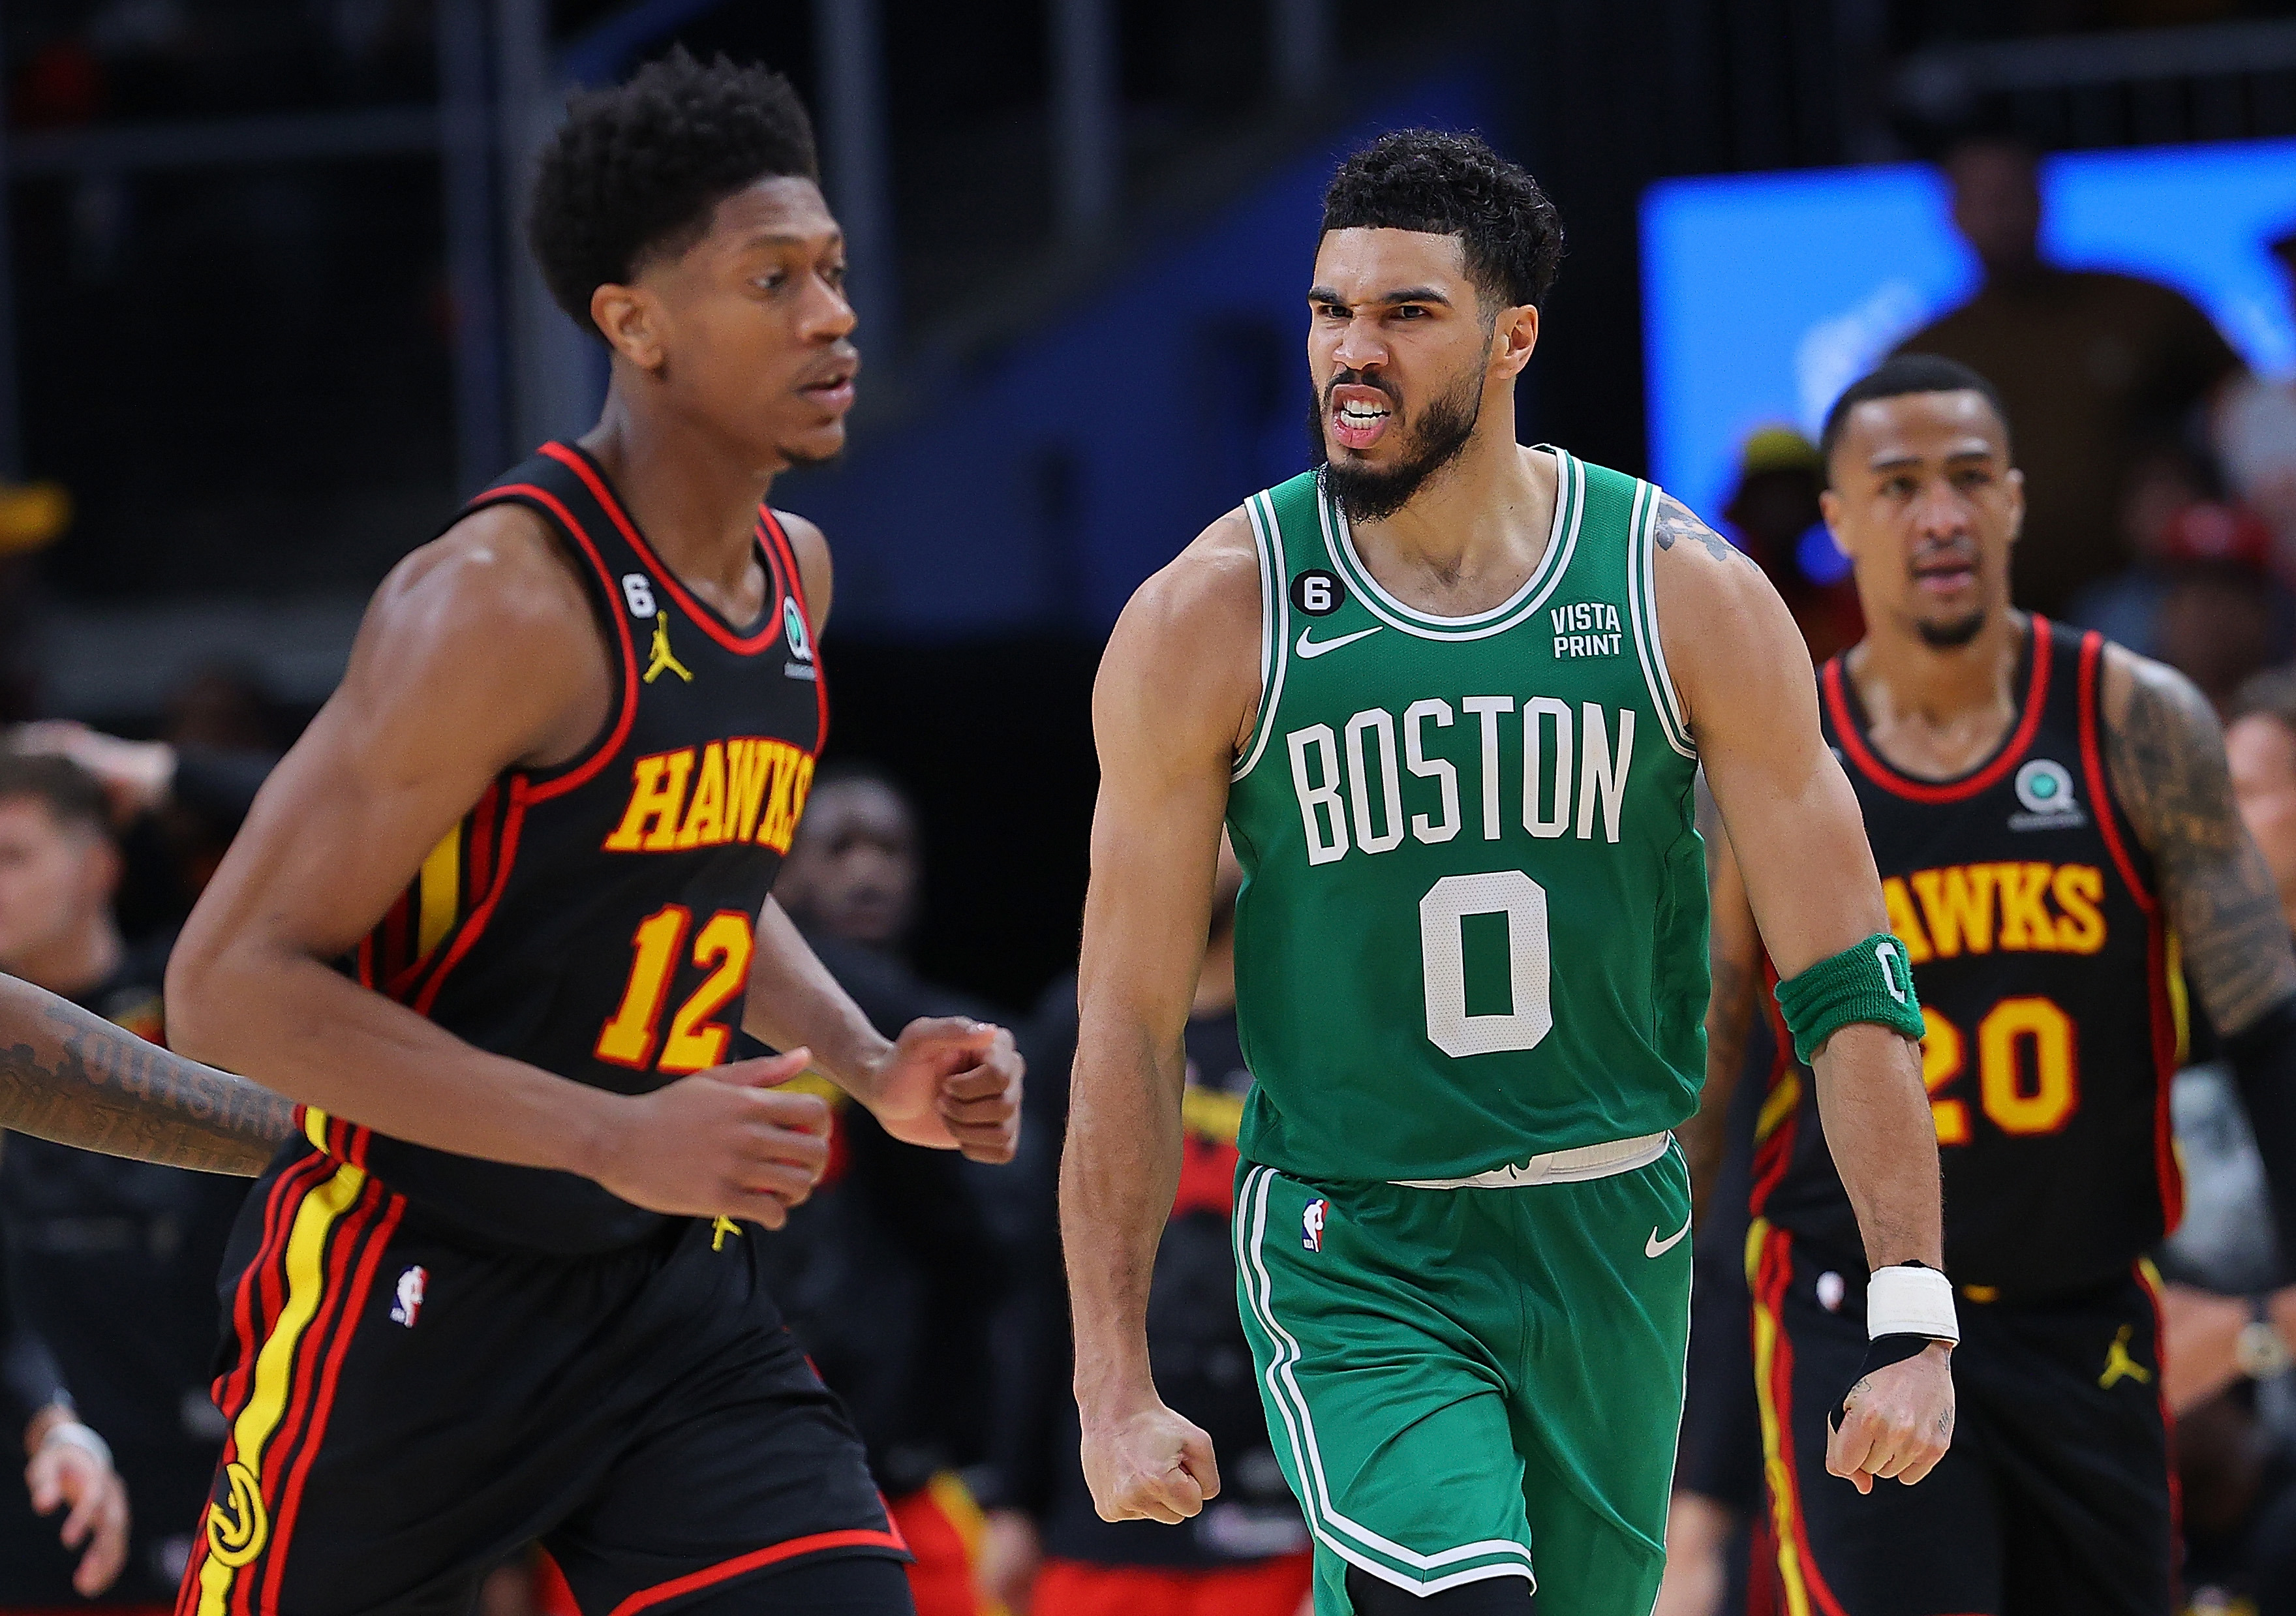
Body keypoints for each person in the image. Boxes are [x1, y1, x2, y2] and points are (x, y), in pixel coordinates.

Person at [159, 50, 1022, 1616]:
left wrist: (861, 1056)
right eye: (771, 279)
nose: (831, 315)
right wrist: (609, 1131)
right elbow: (228, 984)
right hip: (416, 1283)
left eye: (832, 270)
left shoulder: (795, 574)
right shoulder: (497, 605)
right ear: (633, 321)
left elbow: (692, 874)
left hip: (665, 1289)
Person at [1062, 130, 1955, 1616]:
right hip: (1357, 1242)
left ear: (1510, 336)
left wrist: (1912, 1313)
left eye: (1405, 313)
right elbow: (1126, 1021)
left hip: (1613, 1231)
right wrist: (1108, 1377)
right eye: (1329, 310)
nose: (1352, 351)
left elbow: (1842, 977)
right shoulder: (1210, 615)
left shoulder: (1679, 591)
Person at [1696, 352, 2296, 1615]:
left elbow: (2265, 1028)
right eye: (1898, 484)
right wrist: (1666, 1384)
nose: (1939, 514)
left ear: (2014, 501)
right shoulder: (1774, 758)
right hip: (1853, 1317)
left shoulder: (2138, 726)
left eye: (1967, 478)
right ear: (1838, 517)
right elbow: (1701, 1086)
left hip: (2087, 1316)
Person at [984, 839, 1313, 1616]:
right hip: (1102, 1521)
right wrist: (1014, 1495)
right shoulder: (1076, 1025)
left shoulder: (1317, 1025)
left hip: (1288, 1520)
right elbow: (1038, 1275)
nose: (1194, 830)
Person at [762, 762, 1010, 1616]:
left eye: (889, 849)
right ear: (782, 872)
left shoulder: (963, 1040)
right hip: (746, 1434)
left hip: (905, 1465)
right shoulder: (710, 1031)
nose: (866, 870)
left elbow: (993, 1254)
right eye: (839, 848)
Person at [0, 753, 246, 1604]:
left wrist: (173, 773)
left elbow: (355, 840)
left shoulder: (199, 993)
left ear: (100, 866)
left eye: (13, 855)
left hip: (227, 1451)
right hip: (47, 1455)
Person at [1891, 136, 2244, 618]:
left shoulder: (2145, 309)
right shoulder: (1922, 357)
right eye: (1980, 198)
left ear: (2042, 199)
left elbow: (2248, 415)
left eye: (2011, 194)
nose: (1999, 214)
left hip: (2154, 596)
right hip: (1992, 607)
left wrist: (2183, 477)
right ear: (1951, 213)